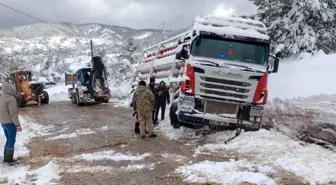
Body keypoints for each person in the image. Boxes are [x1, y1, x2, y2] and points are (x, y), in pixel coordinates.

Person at [0, 82, 22, 166]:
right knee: (11, 140)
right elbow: (13, 114)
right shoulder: (11, 99)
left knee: (8, 139)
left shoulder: (1, 98)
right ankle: (8, 159)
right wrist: (17, 125)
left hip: (3, 123)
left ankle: (6, 158)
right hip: (10, 123)